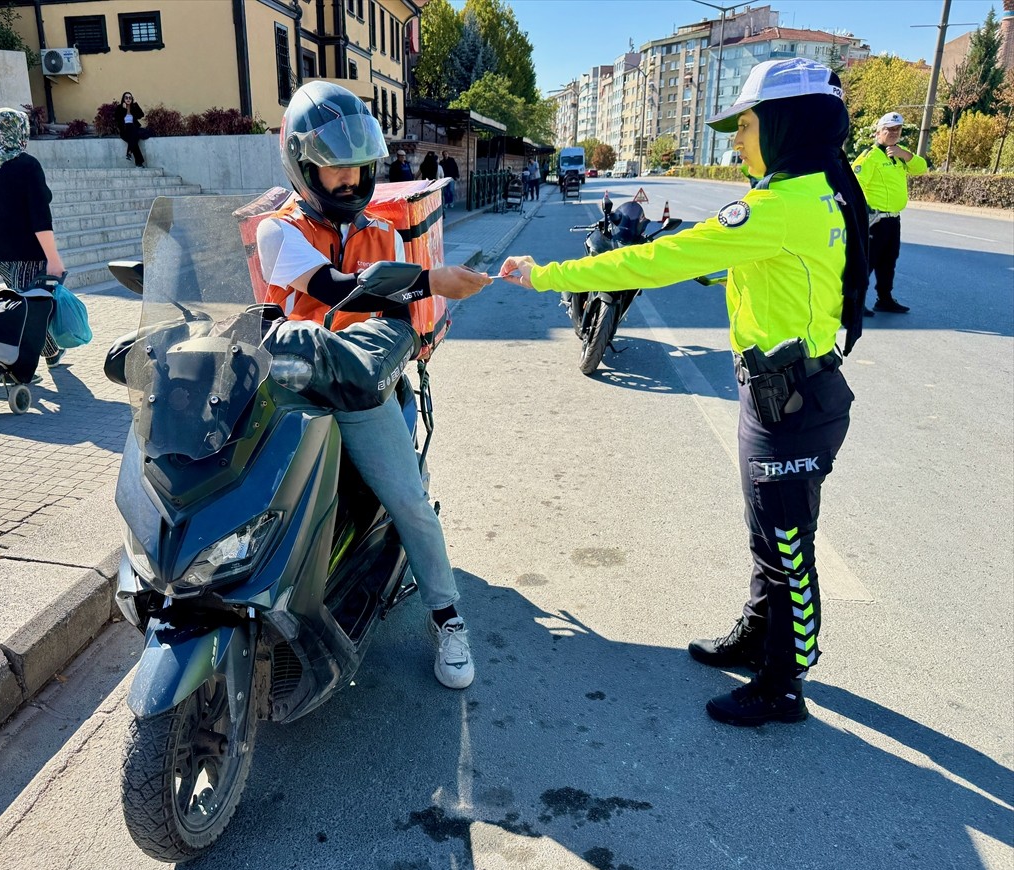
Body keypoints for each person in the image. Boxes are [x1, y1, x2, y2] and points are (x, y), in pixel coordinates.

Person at [500, 58, 868, 726]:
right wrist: (712, 267)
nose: (737, 141)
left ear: (786, 125)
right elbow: (766, 275)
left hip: (789, 403)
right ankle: (759, 635)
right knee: (770, 537)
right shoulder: (820, 193)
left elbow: (650, 261)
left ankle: (784, 684)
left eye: (748, 124)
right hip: (781, 393)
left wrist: (547, 273)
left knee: (788, 546)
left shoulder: (779, 207)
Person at [257, 81, 491, 688]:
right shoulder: (276, 230)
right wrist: (432, 278)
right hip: (292, 390)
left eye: (360, 167)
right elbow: (334, 287)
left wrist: (419, 286)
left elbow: (385, 310)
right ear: (303, 166)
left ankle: (446, 616)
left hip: (358, 385)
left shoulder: (382, 234)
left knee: (409, 500)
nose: (351, 180)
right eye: (335, 168)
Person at [0, 107, 67, 366]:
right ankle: (30, 358)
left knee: (24, 299)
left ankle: (48, 351)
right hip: (28, 251)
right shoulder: (27, 165)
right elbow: (40, 218)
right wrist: (53, 259)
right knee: (28, 305)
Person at [852, 111, 927, 315]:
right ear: (878, 132)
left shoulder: (899, 154)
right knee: (867, 261)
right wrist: (863, 210)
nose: (893, 133)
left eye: (897, 129)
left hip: (893, 218)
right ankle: (855, 303)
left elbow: (921, 168)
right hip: (875, 219)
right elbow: (855, 183)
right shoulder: (870, 156)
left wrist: (906, 155)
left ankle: (884, 299)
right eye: (888, 129)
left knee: (889, 260)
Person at [118, 91, 146, 167]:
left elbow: (141, 115)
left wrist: (136, 104)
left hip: (133, 128)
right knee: (134, 138)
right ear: (123, 99)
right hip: (124, 130)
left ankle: (134, 159)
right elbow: (118, 118)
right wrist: (124, 109)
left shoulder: (133, 107)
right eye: (126, 97)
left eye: (130, 98)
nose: (128, 99)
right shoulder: (119, 108)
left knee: (133, 137)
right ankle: (138, 161)